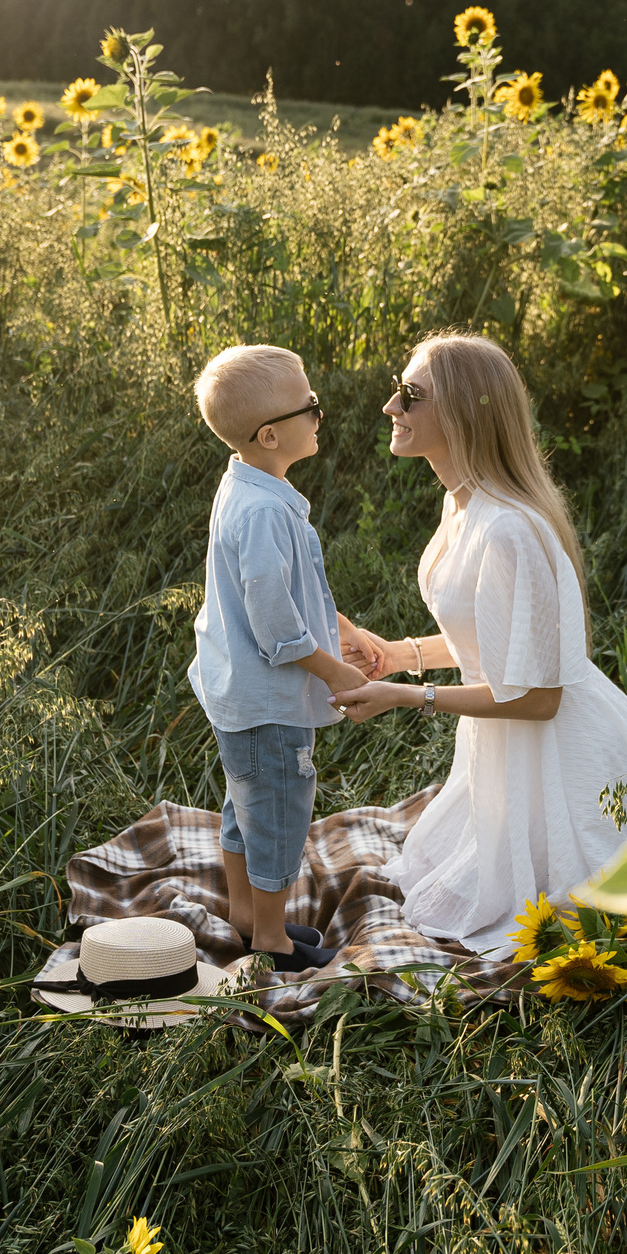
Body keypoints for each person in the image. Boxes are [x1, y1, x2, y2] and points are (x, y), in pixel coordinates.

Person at [330, 333, 627, 960]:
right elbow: (494, 645)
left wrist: (405, 695)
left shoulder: (509, 530)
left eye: (410, 395)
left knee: (554, 903)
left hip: (558, 748)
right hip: (503, 744)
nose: (391, 406)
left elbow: (537, 698)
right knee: (450, 870)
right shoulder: (461, 505)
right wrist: (398, 654)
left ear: (463, 412)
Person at [189, 343, 361, 973]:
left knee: (246, 803)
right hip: (268, 701)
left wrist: (344, 630)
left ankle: (244, 914)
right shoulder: (264, 510)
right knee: (279, 812)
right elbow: (277, 627)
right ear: (269, 435)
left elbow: (287, 590)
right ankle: (270, 941)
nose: (319, 415)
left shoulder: (246, 483)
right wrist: (335, 670)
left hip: (237, 690)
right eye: (310, 406)